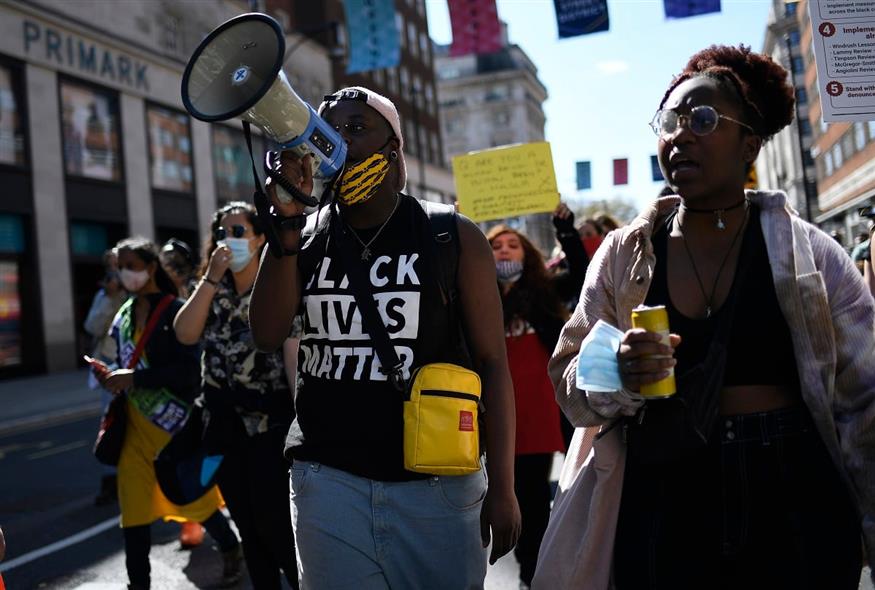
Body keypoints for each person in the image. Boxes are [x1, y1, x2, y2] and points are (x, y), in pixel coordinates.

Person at [535, 45, 875, 589]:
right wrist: (617, 372)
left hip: (793, 487)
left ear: (750, 143)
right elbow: (569, 384)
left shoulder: (809, 253)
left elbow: (866, 398)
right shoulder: (626, 254)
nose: (680, 135)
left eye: (703, 119)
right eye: (670, 122)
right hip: (667, 488)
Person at [249, 86, 521, 589]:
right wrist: (284, 230)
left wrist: (503, 487)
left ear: (391, 148)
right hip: (328, 482)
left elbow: (493, 364)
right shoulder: (303, 237)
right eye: (330, 130)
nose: (340, 142)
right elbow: (266, 334)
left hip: (436, 487)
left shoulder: (449, 235)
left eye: (357, 129)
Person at [92, 237, 241, 590]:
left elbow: (190, 372)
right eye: (120, 266)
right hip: (134, 434)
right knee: (134, 516)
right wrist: (111, 375)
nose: (125, 273)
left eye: (132, 265)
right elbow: (121, 358)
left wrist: (136, 378)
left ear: (151, 267)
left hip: (173, 430)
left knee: (198, 503)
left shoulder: (175, 310)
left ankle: (232, 547)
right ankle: (138, 584)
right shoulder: (125, 314)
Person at [174, 201, 299, 589]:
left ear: (261, 237)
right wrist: (210, 279)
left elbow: (294, 355)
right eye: (222, 233)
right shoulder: (212, 289)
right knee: (246, 524)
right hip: (223, 428)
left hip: (268, 426)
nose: (229, 241)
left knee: (274, 523)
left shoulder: (277, 284)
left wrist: (302, 421)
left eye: (239, 231)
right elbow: (185, 333)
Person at [486, 223, 572, 589]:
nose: (504, 252)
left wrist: (565, 230)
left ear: (527, 255)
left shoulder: (543, 294)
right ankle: (527, 565)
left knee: (534, 501)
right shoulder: (479, 296)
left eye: (512, 246)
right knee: (507, 500)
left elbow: (582, 275)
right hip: (494, 416)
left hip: (536, 415)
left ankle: (531, 573)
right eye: (496, 246)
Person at [83, 250, 127, 506]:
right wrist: (110, 299)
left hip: (136, 364)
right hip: (109, 364)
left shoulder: (139, 294)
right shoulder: (105, 296)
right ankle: (111, 480)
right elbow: (92, 327)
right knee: (110, 421)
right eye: (111, 267)